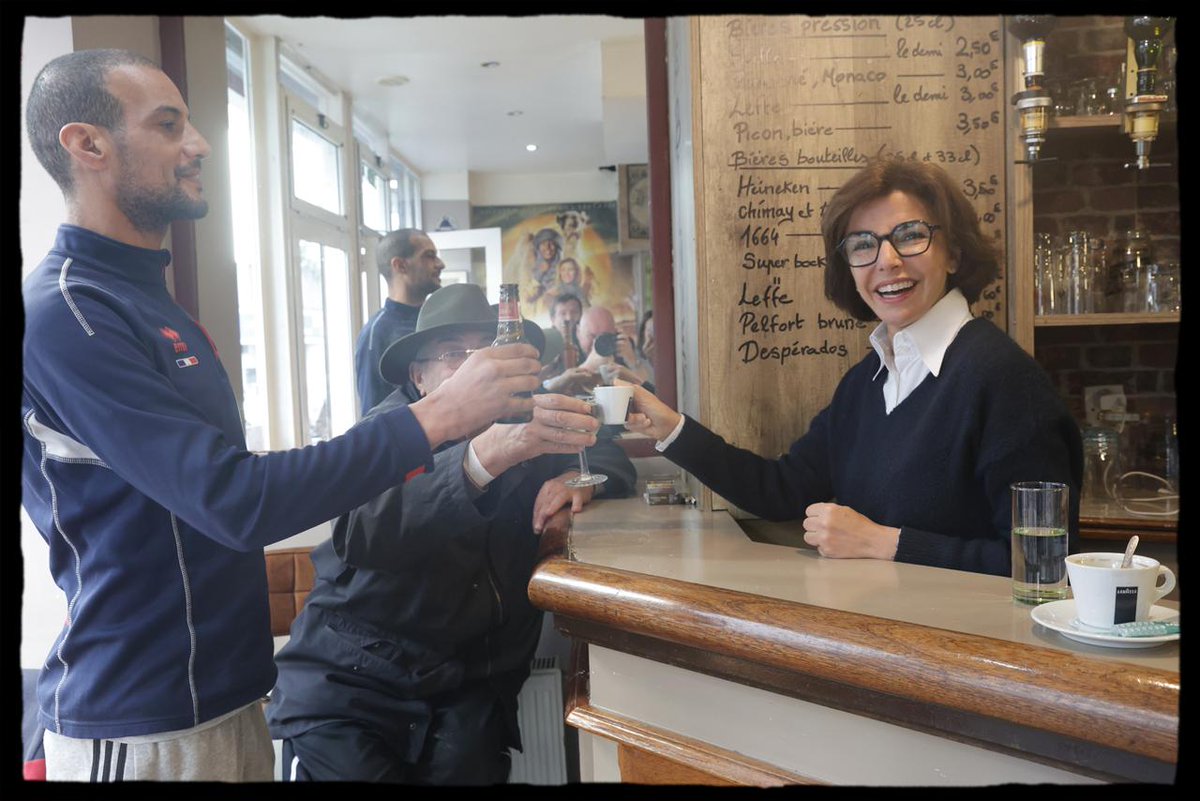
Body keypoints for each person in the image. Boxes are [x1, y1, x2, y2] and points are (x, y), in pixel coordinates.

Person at [21, 48, 542, 782]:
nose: (198, 144)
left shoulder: (151, 304)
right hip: (139, 717)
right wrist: (439, 419)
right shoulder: (66, 311)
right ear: (87, 145)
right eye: (169, 125)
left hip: (228, 701)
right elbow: (234, 499)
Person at [625, 159, 1082, 577]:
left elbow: (1044, 564)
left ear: (954, 253)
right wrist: (670, 428)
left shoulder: (1004, 379)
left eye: (909, 235)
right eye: (863, 244)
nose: (887, 260)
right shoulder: (867, 383)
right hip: (878, 645)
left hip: (966, 658)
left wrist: (886, 544)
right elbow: (781, 489)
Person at [265, 283, 635, 783]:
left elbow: (606, 449)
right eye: (454, 354)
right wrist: (484, 460)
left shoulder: (528, 413)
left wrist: (579, 480)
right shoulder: (385, 432)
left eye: (487, 350)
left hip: (468, 685)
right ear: (419, 378)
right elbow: (362, 530)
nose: (476, 366)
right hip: (352, 681)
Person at [355, 227, 444, 415]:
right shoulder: (377, 334)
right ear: (400, 265)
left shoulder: (436, 321)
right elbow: (374, 419)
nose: (440, 264)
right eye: (429, 256)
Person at [578, 305, 656, 390]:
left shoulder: (626, 353)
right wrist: (587, 367)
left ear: (615, 333)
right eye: (591, 336)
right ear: (578, 333)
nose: (598, 343)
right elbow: (563, 391)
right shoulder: (570, 355)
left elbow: (655, 392)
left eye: (604, 336)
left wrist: (633, 362)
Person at [538, 293, 599, 396]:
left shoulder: (590, 341)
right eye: (562, 313)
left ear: (581, 315)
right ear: (553, 319)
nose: (569, 318)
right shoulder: (543, 345)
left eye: (574, 312)